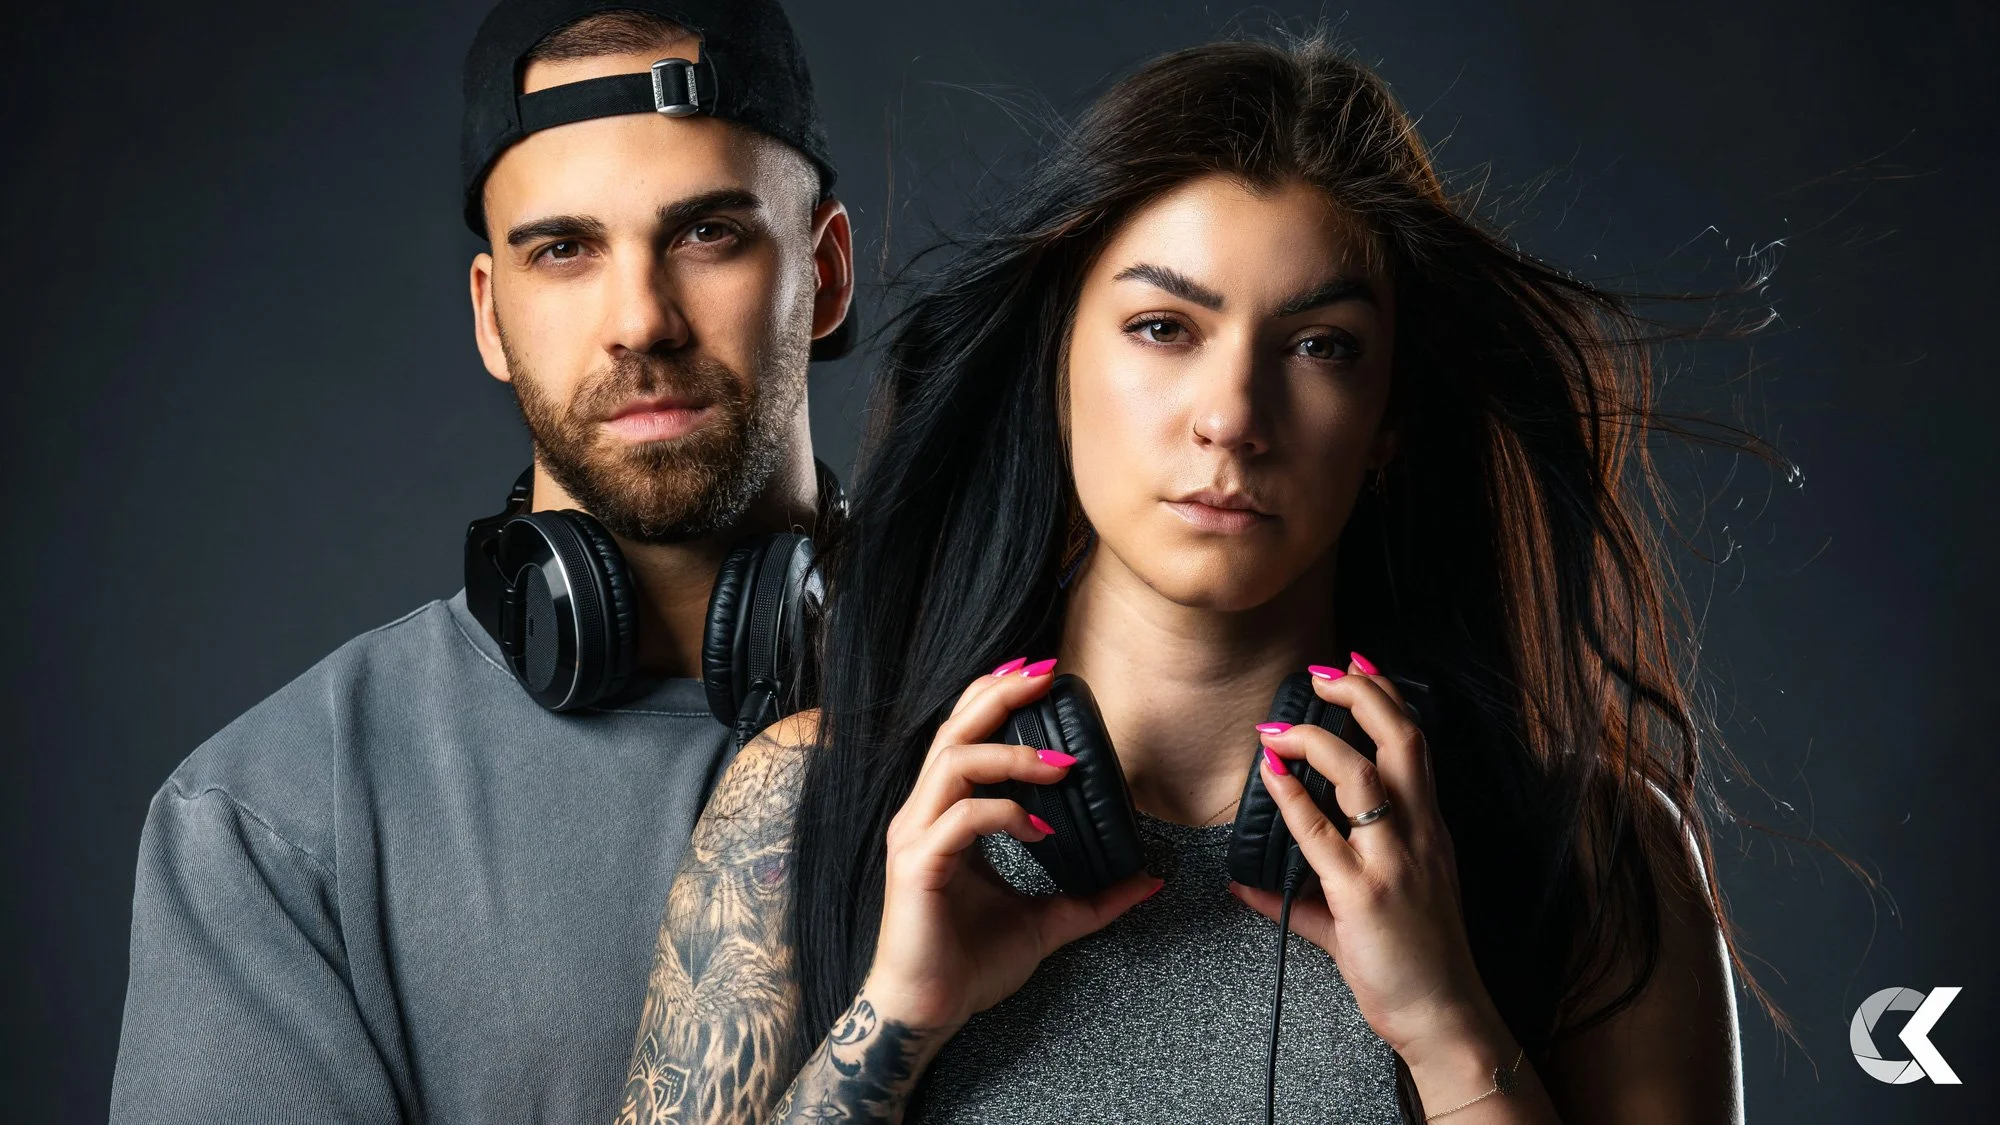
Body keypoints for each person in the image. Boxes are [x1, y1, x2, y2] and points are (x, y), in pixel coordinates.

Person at [623, 30, 1751, 1125]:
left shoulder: (1597, 857)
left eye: (1319, 347)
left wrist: (1446, 1030)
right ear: (1056, 366)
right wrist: (895, 1021)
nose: (1231, 418)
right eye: (1164, 327)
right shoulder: (805, 806)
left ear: (1389, 419)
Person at [109, 2, 852, 1121]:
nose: (639, 321)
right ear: (490, 316)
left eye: (706, 233)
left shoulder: (1050, 711)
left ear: (825, 272)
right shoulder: (274, 819)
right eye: (562, 251)